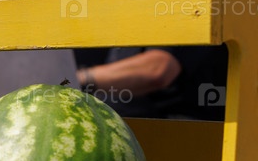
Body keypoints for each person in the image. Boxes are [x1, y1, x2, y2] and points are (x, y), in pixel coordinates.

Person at [73, 44, 229, 121]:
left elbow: (159, 69)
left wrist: (80, 79)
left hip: (176, 144)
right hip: (121, 135)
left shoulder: (172, 2)